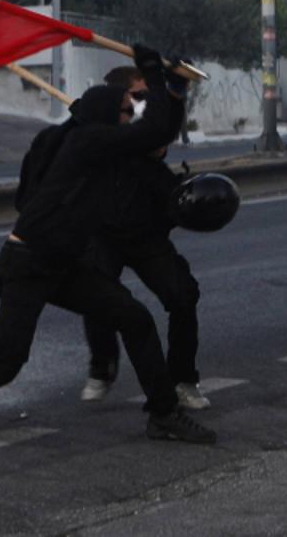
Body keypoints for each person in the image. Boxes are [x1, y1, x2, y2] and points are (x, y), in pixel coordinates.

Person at [0, 46, 216, 446]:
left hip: (63, 263)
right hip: (27, 263)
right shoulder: (87, 142)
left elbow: (157, 134)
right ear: (106, 115)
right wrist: (154, 73)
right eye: (127, 111)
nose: (131, 119)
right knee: (5, 363)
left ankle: (164, 414)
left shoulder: (78, 142)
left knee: (134, 318)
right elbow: (153, 131)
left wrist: (170, 91)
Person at [78, 66, 210, 410]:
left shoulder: (146, 127)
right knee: (95, 293)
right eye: (137, 97)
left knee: (183, 295)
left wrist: (176, 96)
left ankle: (182, 380)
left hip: (148, 231)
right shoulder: (99, 132)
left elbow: (161, 131)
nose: (144, 103)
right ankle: (102, 366)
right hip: (104, 231)